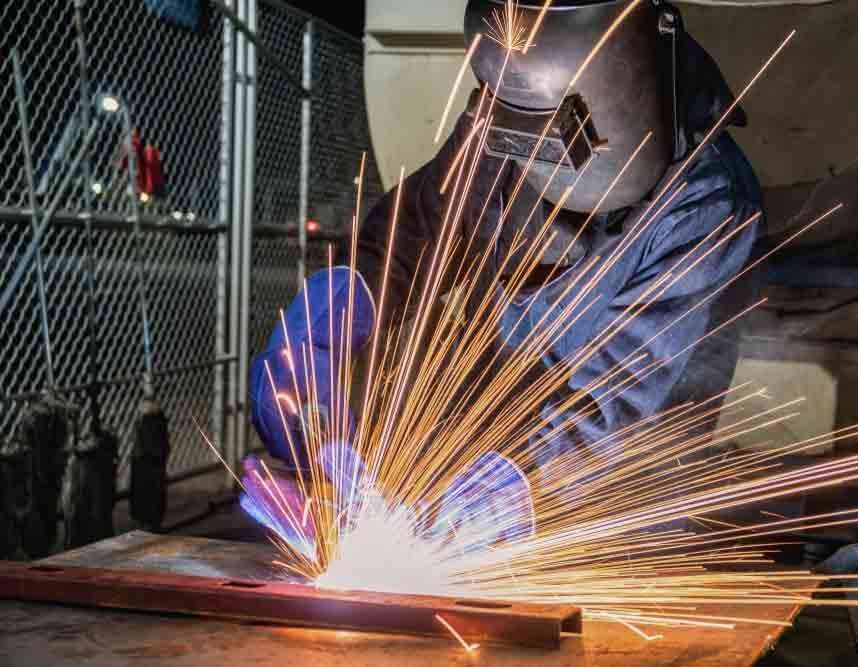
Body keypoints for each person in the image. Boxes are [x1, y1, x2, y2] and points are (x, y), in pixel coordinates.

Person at [249, 0, 762, 492]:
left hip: (606, 513)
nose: (528, 157)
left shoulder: (707, 204)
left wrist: (513, 491)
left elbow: (625, 410)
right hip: (476, 465)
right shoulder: (504, 118)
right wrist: (324, 326)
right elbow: (423, 225)